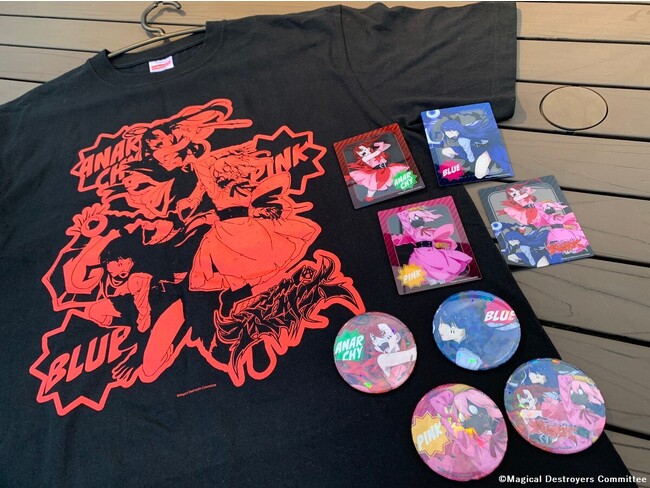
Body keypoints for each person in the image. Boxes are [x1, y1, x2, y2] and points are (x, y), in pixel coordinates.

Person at [392, 207, 472, 284]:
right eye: (412, 219)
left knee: (446, 259)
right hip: (422, 253)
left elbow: (431, 242)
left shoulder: (428, 230)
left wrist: (439, 244)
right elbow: (402, 216)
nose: (416, 220)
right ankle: (435, 279)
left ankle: (446, 276)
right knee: (428, 267)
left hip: (432, 250)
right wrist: (412, 209)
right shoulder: (413, 231)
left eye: (417, 218)